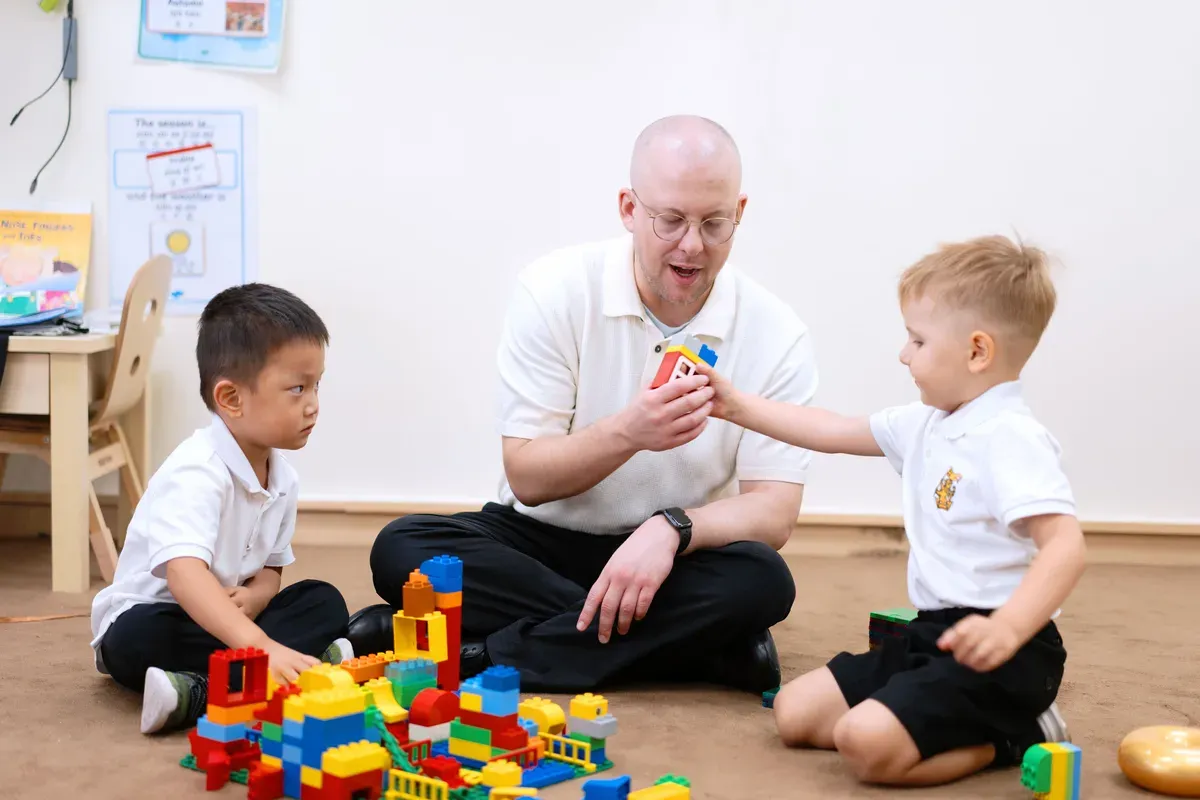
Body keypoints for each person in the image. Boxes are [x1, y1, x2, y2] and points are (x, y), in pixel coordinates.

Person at [349, 115, 819, 693]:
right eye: (669, 220)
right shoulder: (554, 290)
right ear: (629, 208)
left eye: (714, 223)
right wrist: (629, 431)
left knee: (763, 579)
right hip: (544, 543)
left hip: (676, 557)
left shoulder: (777, 332)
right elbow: (527, 476)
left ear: (739, 212)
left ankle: (482, 656)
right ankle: (701, 650)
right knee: (404, 546)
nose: (692, 245)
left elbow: (774, 512)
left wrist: (671, 528)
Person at [695, 234, 1085, 786]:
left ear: (977, 351)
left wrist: (1009, 627)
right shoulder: (925, 422)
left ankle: (1022, 733)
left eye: (917, 340)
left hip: (1008, 654)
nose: (904, 354)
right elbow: (830, 430)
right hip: (934, 635)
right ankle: (937, 714)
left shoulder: (1010, 438)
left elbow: (1066, 546)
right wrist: (735, 405)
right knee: (794, 714)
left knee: (864, 743)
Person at [89, 283, 354, 734]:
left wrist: (257, 597)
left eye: (316, 385)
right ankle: (268, 673)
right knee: (135, 639)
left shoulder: (283, 478)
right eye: (297, 389)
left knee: (323, 601)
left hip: (231, 620)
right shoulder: (196, 471)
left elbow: (272, 568)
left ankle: (198, 690)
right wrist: (256, 644)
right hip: (164, 615)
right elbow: (184, 574)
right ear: (231, 398)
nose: (313, 405)